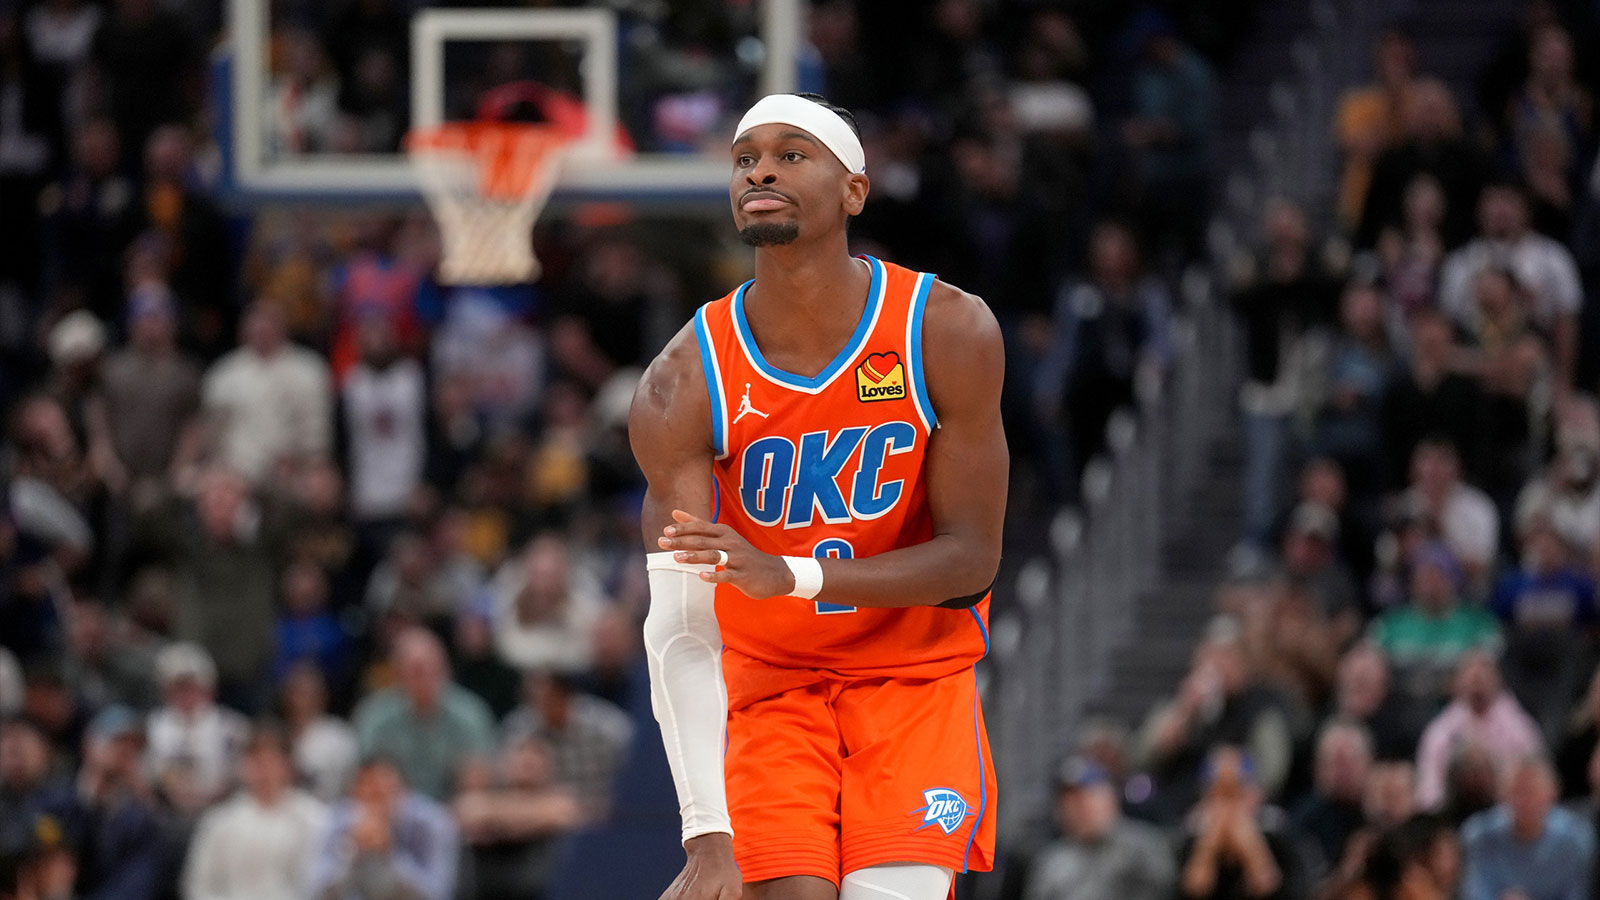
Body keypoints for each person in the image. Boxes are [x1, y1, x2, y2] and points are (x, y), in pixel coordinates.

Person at [630, 92, 1006, 899]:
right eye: (745, 157)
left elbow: (972, 562)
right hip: (771, 688)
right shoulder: (683, 379)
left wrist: (792, 575)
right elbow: (681, 625)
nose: (760, 167)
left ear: (854, 191)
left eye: (791, 153)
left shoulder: (945, 329)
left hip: (913, 676)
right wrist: (706, 832)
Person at [180, 723, 328, 900]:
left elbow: (320, 883)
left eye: (273, 761)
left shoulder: (315, 817)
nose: (266, 770)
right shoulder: (220, 820)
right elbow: (197, 887)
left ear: (289, 765)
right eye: (258, 761)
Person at [350, 627, 495, 801]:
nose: (424, 677)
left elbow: (481, 776)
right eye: (415, 670)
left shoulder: (471, 713)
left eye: (430, 668)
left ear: (445, 668)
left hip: (456, 809)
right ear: (397, 672)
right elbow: (367, 776)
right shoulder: (374, 716)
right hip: (395, 807)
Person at [1022, 757, 1175, 900]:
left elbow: (1164, 890)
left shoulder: (1144, 845)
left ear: (1109, 798)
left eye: (1084, 798)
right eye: (1067, 801)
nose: (1076, 808)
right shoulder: (1051, 861)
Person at [307, 756, 457, 900]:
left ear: (405, 792)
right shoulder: (340, 819)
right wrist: (351, 852)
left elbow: (438, 894)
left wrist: (390, 855)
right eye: (365, 795)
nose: (374, 804)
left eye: (382, 793)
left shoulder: (433, 822)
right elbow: (314, 892)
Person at [1368, 543, 1501, 704]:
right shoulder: (1390, 624)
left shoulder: (1478, 623)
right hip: (1397, 706)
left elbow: (1490, 669)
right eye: (1424, 576)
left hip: (1456, 706)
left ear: (1453, 579)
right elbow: (1367, 660)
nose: (1431, 584)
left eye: (1438, 576)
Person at [499, 670, 632, 822]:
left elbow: (634, 772)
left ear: (565, 696)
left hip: (605, 817)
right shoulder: (522, 730)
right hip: (544, 820)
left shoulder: (607, 729)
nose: (538, 706)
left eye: (546, 698)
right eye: (532, 700)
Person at [1415, 653, 1543, 810]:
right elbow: (1430, 783)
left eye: (1483, 678)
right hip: (1453, 809)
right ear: (1456, 683)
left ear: (1498, 681)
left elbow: (1535, 772)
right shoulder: (1441, 730)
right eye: (1472, 678)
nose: (1478, 684)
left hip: (1505, 811)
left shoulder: (1520, 726)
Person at [1176, 746, 1304, 900]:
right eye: (1220, 796)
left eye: (1238, 795)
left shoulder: (1279, 833)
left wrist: (1254, 853)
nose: (1229, 808)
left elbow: (1294, 890)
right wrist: (1206, 850)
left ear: (1258, 794)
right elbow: (1187, 891)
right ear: (1204, 798)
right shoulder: (1189, 838)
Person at [1460, 757, 1594, 900]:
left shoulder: (1575, 838)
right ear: (1502, 795)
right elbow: (1475, 891)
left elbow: (1577, 893)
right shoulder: (1479, 835)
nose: (1524, 802)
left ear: (1553, 793)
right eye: (1517, 792)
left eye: (1532, 792)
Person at [142, 643, 249, 806]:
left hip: (219, 808)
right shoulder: (153, 726)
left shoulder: (233, 727)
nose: (185, 695)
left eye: (191, 686)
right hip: (165, 810)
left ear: (208, 688)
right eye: (178, 688)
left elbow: (243, 776)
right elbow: (147, 775)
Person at [1293, 721, 1373, 877]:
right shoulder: (1303, 820)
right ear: (1317, 767)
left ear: (1368, 762)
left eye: (1348, 763)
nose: (1341, 773)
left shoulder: (1379, 813)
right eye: (1334, 763)